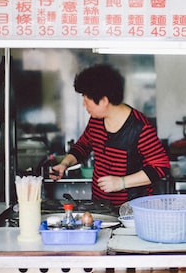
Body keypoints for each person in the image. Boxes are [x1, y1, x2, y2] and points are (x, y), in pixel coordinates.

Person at [50, 64, 170, 207]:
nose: (83, 104)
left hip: (132, 211)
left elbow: (161, 167)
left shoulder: (140, 128)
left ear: (104, 101)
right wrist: (65, 164)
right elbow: (82, 146)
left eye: (85, 98)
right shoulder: (96, 120)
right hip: (101, 206)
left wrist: (122, 182)